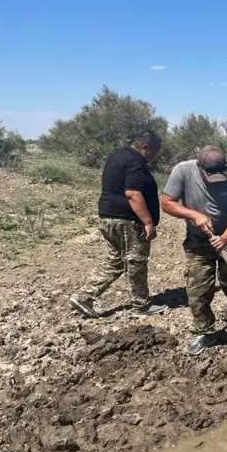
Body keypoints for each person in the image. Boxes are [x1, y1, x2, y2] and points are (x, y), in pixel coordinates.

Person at [161, 145, 227, 355]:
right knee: (198, 288)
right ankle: (204, 330)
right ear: (200, 167)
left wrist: (226, 237)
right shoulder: (183, 171)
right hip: (197, 240)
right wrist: (195, 215)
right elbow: (167, 203)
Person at [69, 130, 168, 318]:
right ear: (146, 147)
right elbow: (132, 193)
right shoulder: (135, 162)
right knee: (136, 261)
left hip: (108, 216)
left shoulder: (117, 155)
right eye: (155, 151)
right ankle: (141, 306)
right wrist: (148, 222)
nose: (155, 156)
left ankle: (84, 297)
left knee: (115, 261)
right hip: (127, 221)